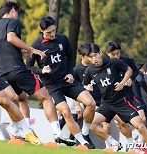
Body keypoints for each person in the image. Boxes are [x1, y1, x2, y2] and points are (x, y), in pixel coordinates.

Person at [0, 1, 73, 146]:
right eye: (16, 12)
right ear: (12, 10)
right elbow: (12, 38)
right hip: (17, 69)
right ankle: (57, 133)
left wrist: (21, 51)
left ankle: (18, 130)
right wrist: (32, 49)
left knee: (20, 98)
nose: (17, 15)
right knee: (46, 98)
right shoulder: (12, 21)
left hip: (2, 71)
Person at [26, 16, 96, 149]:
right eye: (49, 32)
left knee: (91, 103)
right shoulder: (36, 45)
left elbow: (70, 56)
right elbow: (28, 66)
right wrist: (41, 70)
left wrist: (70, 72)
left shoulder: (63, 39)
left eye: (54, 30)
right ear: (41, 30)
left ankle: (85, 132)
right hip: (53, 86)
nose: (52, 34)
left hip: (68, 81)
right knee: (65, 112)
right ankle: (83, 142)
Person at [82, 43, 147, 152]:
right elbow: (85, 84)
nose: (94, 59)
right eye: (90, 57)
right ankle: (114, 143)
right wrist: (88, 86)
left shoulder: (112, 62)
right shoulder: (89, 70)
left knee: (140, 126)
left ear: (100, 53)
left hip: (122, 101)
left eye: (95, 55)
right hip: (106, 104)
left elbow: (129, 70)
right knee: (92, 126)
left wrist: (122, 83)